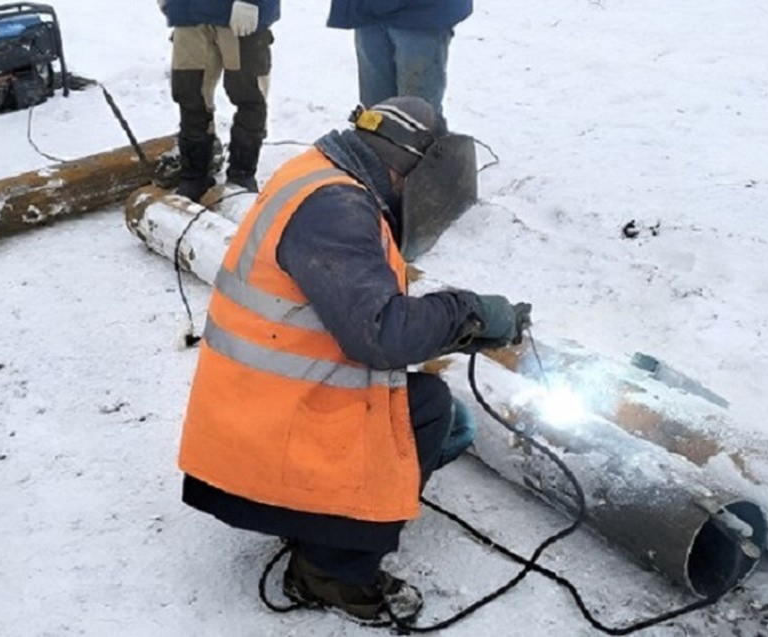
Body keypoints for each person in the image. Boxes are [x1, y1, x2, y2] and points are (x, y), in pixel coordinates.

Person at [177, 96, 531, 623]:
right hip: (264, 444)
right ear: (401, 168)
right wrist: (469, 314)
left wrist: (450, 327)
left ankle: (313, 518)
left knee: (446, 422)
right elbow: (381, 335)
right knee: (429, 410)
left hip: (251, 421)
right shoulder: (335, 211)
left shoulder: (318, 174)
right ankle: (330, 569)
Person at [158, 0, 280, 202]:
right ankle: (194, 176)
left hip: (241, 14)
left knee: (249, 95)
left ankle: (242, 175)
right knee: (190, 93)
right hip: (190, 14)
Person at [326, 0, 472, 121]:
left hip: (423, 13)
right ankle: (376, 149)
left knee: (417, 111)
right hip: (369, 11)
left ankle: (422, 152)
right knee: (375, 108)